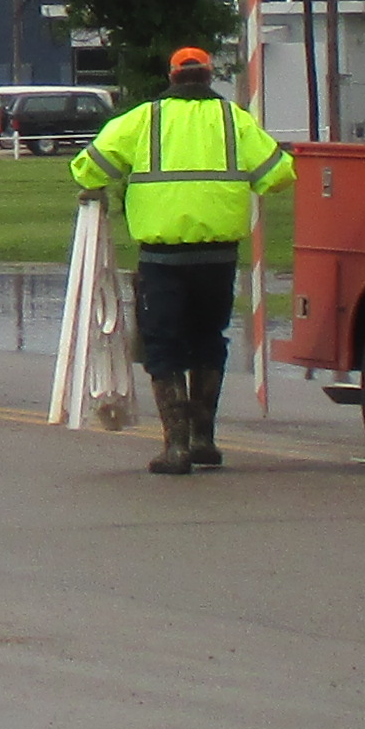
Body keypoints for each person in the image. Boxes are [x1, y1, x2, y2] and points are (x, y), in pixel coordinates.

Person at [69, 43, 294, 476]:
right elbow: (278, 176)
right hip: (218, 257)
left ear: (172, 77)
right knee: (209, 340)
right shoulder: (235, 121)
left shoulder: (144, 120)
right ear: (209, 77)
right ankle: (204, 438)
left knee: (164, 346)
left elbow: (87, 168)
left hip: (163, 259)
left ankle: (175, 448)